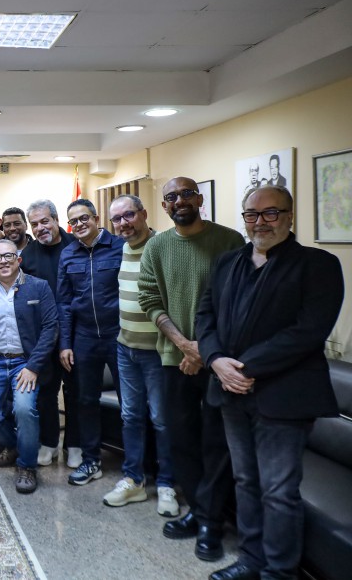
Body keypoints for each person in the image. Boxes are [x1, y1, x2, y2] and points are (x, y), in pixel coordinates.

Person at [197, 186, 343, 580]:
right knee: (245, 480)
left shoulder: (318, 265)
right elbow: (205, 316)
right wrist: (215, 360)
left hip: (284, 399)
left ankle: (279, 572)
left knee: (278, 491)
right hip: (230, 394)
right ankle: (252, 560)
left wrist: (243, 369)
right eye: (251, 214)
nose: (260, 222)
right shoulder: (228, 262)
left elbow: (308, 331)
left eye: (270, 213)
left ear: (290, 216)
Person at [138, 176, 245, 562]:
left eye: (186, 194)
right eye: (171, 197)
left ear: (199, 199)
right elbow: (149, 298)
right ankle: (200, 512)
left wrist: (205, 350)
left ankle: (211, 523)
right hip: (175, 360)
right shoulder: (157, 246)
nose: (179, 201)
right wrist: (185, 345)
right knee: (180, 440)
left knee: (216, 443)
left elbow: (236, 300)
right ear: (164, 206)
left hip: (219, 362)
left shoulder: (230, 241)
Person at [100, 194, 178, 518]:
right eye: (117, 219)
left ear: (144, 213)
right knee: (130, 417)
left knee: (161, 419)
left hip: (157, 352)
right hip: (125, 348)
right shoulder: (119, 250)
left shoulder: (164, 247)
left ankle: (167, 484)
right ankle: (134, 480)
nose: (123, 223)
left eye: (129, 215)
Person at [0, 240, 58, 494]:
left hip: (25, 363)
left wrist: (33, 366)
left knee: (24, 409)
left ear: (18, 259)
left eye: (8, 256)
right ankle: (17, 444)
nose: (3, 261)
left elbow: (50, 327)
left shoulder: (38, 287)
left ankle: (27, 466)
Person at [56, 198, 125, 487]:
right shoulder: (68, 254)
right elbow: (64, 302)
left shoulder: (120, 246)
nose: (79, 224)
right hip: (84, 337)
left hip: (119, 335)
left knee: (130, 401)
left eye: (84, 218)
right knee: (85, 400)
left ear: (96, 218)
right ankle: (91, 459)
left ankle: (136, 464)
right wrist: (65, 343)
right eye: (73, 221)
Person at [20, 199, 80, 468]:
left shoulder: (76, 246)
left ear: (56, 220)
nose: (40, 228)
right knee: (45, 392)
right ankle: (49, 443)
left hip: (76, 333)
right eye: (34, 224)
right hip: (42, 336)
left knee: (75, 391)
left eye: (45, 221)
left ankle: (74, 444)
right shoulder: (27, 255)